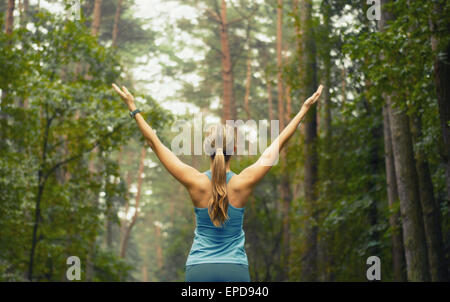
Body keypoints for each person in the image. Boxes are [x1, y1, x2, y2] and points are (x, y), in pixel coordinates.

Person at [112, 83, 323, 282]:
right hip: (235, 269)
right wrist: (303, 110)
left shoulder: (194, 181)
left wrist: (133, 108)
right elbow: (278, 144)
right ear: (235, 150)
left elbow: (154, 142)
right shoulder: (243, 183)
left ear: (207, 150)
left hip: (200, 268)